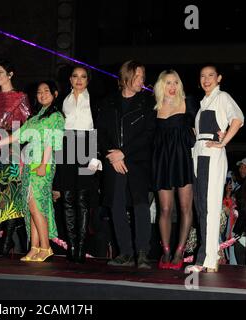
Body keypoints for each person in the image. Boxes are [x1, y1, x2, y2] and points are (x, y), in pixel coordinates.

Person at [0, 80, 65, 262]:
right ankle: (34, 247)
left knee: (37, 208)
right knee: (30, 208)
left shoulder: (57, 117)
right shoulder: (35, 117)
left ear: (55, 94)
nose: (42, 94)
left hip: (42, 164)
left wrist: (44, 164)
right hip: (29, 164)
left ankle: (46, 247)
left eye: (46, 91)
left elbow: (52, 142)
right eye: (39, 92)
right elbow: (18, 135)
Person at [97, 60, 156, 268]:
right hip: (114, 161)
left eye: (143, 76)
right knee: (116, 206)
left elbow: (149, 133)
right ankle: (125, 252)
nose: (142, 80)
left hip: (137, 161)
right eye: (139, 76)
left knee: (140, 206)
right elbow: (101, 133)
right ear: (127, 76)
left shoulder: (147, 102)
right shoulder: (108, 102)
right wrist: (111, 154)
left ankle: (142, 253)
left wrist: (124, 153)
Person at [186, 65, 244, 273]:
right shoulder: (203, 104)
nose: (206, 79)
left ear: (219, 78)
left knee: (209, 206)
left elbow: (237, 119)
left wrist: (223, 142)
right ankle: (207, 256)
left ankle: (208, 258)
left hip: (211, 155)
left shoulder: (222, 97)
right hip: (199, 154)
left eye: (211, 75)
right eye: (202, 75)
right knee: (201, 207)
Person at [0, 59, 31, 257]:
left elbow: (27, 128)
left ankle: (6, 241)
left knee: (11, 198)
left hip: (12, 148)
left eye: (0, 72)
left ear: (10, 74)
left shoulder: (21, 97)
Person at [53, 65, 99, 263]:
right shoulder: (62, 100)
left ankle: (81, 246)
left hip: (87, 145)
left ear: (88, 80)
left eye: (83, 76)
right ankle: (71, 245)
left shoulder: (95, 100)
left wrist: (96, 157)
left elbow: (100, 128)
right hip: (66, 145)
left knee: (82, 198)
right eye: (75, 76)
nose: (79, 80)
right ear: (70, 79)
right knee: (68, 197)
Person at [152, 70, 196, 270]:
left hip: (184, 162)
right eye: (168, 82)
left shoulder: (189, 103)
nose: (172, 87)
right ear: (161, 85)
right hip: (162, 163)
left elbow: (201, 130)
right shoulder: (154, 109)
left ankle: (180, 250)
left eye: (175, 82)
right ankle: (166, 251)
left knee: (186, 208)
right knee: (165, 209)